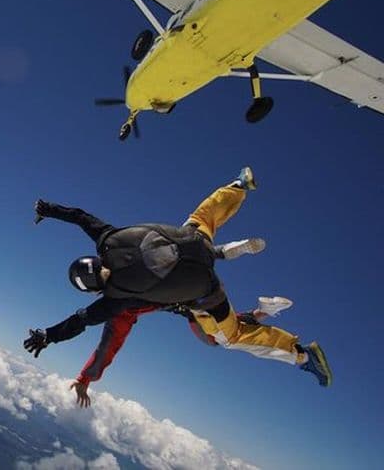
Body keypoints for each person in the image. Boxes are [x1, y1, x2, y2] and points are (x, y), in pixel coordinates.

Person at [23, 167, 332, 407]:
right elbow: (80, 217)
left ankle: (302, 356)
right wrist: (48, 209)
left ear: (93, 291)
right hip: (194, 241)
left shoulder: (118, 302)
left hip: (206, 294)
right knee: (202, 216)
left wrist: (57, 346)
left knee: (228, 338)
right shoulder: (108, 238)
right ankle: (238, 188)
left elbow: (90, 330)